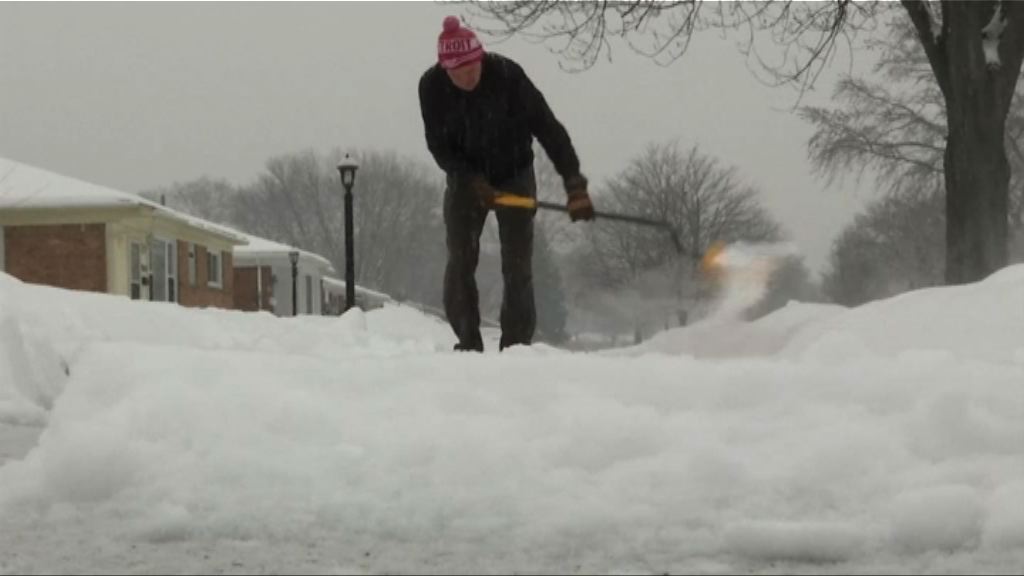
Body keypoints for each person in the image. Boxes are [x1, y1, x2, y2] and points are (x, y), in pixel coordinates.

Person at [418, 16, 595, 352]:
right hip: (465, 179)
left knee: (517, 264)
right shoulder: (431, 87)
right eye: (458, 74)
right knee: (460, 259)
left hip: (514, 173)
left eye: (472, 70)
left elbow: (548, 128)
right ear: (445, 70)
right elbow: (438, 145)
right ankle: (468, 342)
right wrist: (470, 179)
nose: (467, 78)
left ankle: (516, 345)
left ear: (480, 58)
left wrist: (574, 183)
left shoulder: (508, 77)